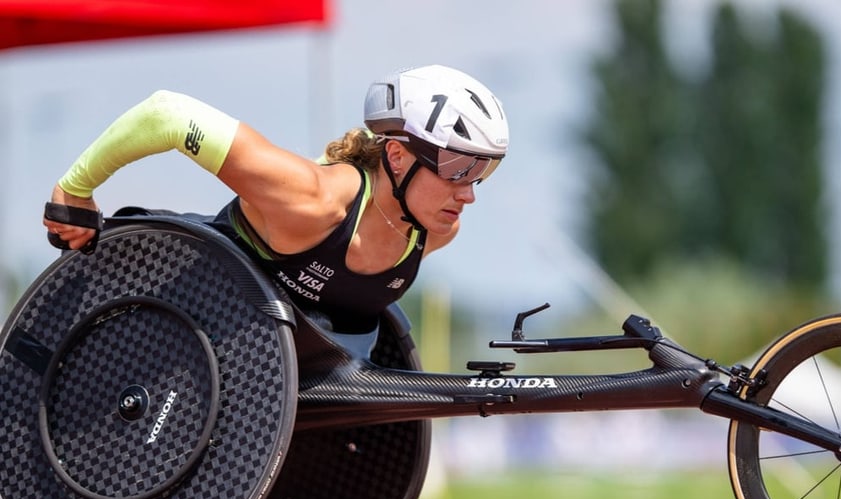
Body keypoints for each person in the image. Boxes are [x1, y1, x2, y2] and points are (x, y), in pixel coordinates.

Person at [42, 64, 509, 333]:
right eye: (458, 169)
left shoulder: (436, 230)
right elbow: (167, 114)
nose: (468, 193)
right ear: (398, 156)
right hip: (158, 317)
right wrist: (74, 190)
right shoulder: (311, 201)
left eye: (483, 171)